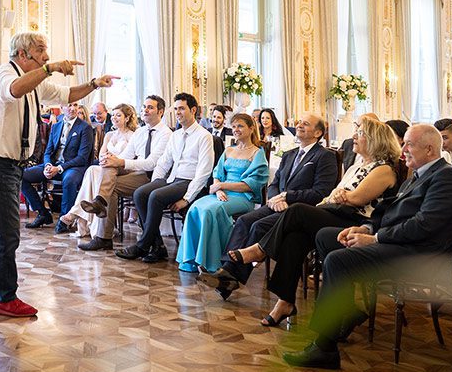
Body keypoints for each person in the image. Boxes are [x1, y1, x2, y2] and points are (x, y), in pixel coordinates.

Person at [283, 125, 452, 369]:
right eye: (404, 143)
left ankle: (324, 347)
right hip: (403, 245)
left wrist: (377, 238)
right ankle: (346, 311)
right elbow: (391, 212)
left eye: (409, 144)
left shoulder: (446, 177)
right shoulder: (420, 174)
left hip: (420, 255)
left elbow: (424, 226)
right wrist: (365, 228)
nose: (403, 149)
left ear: (430, 149)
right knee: (327, 236)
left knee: (338, 260)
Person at [0, 32, 115, 318]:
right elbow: (15, 90)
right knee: (9, 231)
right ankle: (5, 297)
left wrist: (94, 83)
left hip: (11, 163)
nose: (46, 56)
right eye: (41, 51)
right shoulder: (5, 74)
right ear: (23, 54)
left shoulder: (35, 83)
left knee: (2, 224)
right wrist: (50, 68)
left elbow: (67, 95)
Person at [208, 117, 401, 326]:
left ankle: (259, 250)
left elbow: (355, 198)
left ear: (374, 140)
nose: (354, 136)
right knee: (294, 238)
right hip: (332, 210)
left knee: (297, 211)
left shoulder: (383, 169)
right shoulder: (357, 166)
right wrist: (337, 195)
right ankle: (285, 302)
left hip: (354, 222)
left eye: (360, 133)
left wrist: (340, 195)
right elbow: (334, 195)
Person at [218, 113, 338, 265]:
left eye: (305, 124)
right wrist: (275, 199)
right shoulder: (289, 154)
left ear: (318, 133)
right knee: (243, 221)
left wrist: (286, 196)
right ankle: (227, 267)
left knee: (258, 226)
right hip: (277, 204)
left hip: (300, 209)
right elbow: (274, 184)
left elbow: (321, 192)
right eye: (299, 122)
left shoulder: (325, 156)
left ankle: (232, 271)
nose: (299, 125)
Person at [116, 93, 214, 263]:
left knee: (156, 196)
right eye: (175, 109)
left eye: (181, 108)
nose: (178, 112)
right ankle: (158, 246)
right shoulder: (176, 135)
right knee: (141, 193)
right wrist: (155, 182)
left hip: (189, 181)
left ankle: (143, 245)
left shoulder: (204, 136)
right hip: (172, 179)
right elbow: (164, 162)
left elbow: (204, 172)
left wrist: (186, 198)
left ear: (193, 110)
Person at [175, 113, 269, 274]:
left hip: (242, 197)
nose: (236, 129)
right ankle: (191, 260)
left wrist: (222, 186)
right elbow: (217, 174)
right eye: (234, 126)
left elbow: (252, 184)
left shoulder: (257, 153)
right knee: (195, 207)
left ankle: (211, 260)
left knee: (210, 210)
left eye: (240, 126)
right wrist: (218, 189)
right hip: (220, 194)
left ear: (251, 128)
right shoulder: (229, 150)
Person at [77, 96, 172, 252]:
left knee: (110, 183)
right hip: (135, 172)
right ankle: (101, 216)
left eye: (150, 107)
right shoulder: (140, 132)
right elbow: (126, 155)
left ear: (160, 112)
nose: (145, 110)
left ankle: (103, 233)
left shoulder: (166, 134)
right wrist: (112, 160)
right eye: (144, 107)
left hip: (151, 176)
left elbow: (152, 163)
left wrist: (119, 162)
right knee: (109, 166)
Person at [59, 103, 137, 238]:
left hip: (123, 169)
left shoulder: (132, 136)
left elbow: (128, 157)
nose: (114, 118)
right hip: (106, 167)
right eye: (113, 115)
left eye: (119, 115)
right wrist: (106, 159)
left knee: (94, 171)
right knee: (93, 170)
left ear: (127, 118)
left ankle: (76, 214)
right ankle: (94, 226)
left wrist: (113, 160)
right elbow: (101, 155)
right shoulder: (109, 135)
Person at [20, 103, 94, 231]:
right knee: (22, 176)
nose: (73, 108)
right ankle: (43, 213)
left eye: (75, 105)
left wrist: (59, 168)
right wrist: (48, 165)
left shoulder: (85, 128)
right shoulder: (56, 126)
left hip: (74, 167)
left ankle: (64, 220)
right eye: (69, 105)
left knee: (69, 180)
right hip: (54, 164)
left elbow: (82, 158)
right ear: (62, 107)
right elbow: (48, 152)